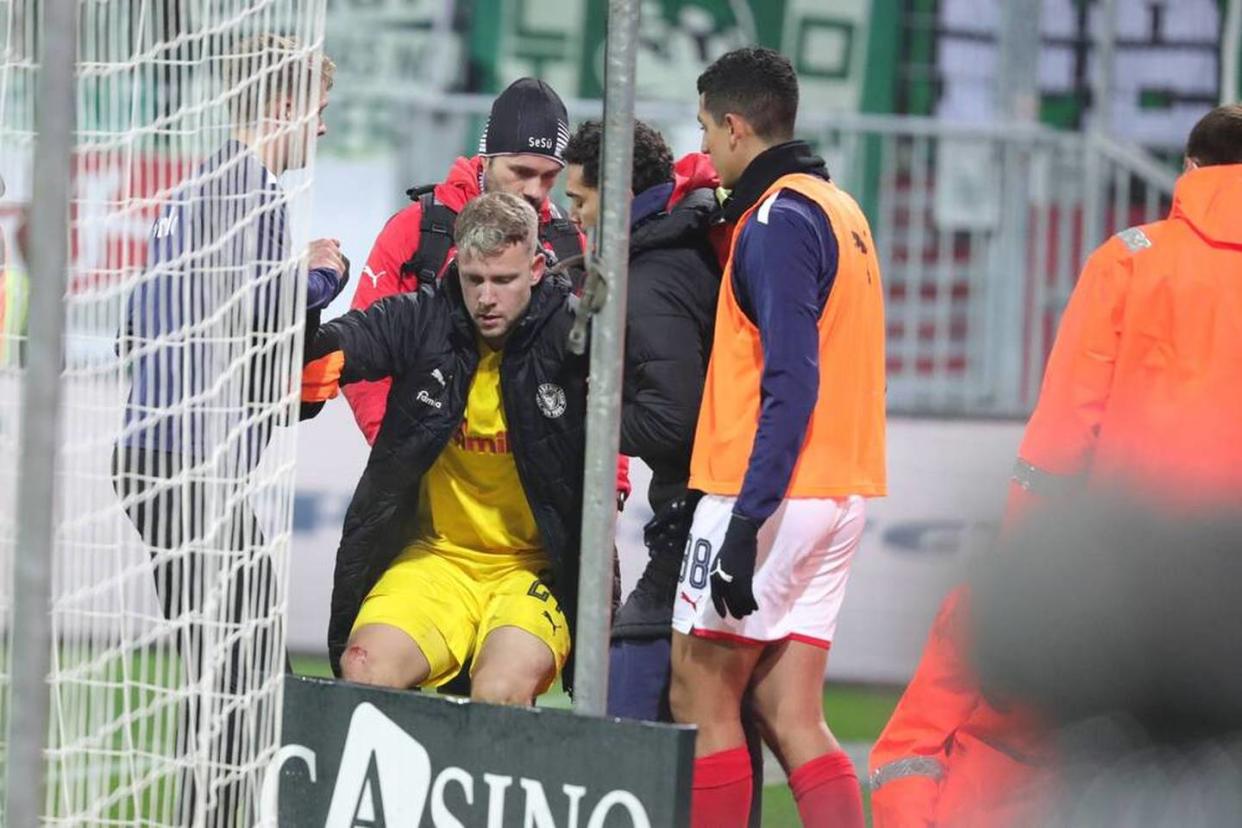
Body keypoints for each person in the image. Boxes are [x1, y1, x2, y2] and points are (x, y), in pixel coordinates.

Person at [869, 104, 1242, 827]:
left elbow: (1065, 428)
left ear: (1192, 169)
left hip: (1121, 568)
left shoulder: (1131, 257)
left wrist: (1029, 555)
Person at [112, 35, 344, 826]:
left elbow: (133, 329)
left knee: (229, 661)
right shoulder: (250, 194)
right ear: (282, 106)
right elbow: (264, 318)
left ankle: (203, 812)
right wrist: (322, 276)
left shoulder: (193, 187)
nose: (319, 130)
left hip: (153, 451)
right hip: (188, 463)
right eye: (316, 111)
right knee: (243, 665)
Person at [667, 47, 886, 828]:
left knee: (702, 689)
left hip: (766, 492)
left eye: (705, 130)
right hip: (839, 488)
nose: (705, 150)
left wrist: (747, 522)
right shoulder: (840, 209)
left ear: (734, 126)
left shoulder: (776, 223)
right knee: (792, 712)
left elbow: (791, 382)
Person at [300, 192, 588, 705]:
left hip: (529, 569)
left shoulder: (575, 336)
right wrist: (304, 301)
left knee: (499, 692)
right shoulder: (424, 319)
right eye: (474, 279)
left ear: (539, 268)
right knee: (363, 669)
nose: (486, 299)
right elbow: (337, 347)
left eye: (504, 281)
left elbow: (656, 401)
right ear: (457, 266)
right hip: (437, 561)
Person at [563, 119, 722, 721]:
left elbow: (671, 420)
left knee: (630, 692)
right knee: (739, 714)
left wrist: (582, 419)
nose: (572, 216)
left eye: (579, 200)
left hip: (699, 509)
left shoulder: (653, 275)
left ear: (619, 192)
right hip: (711, 503)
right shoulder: (671, 247)